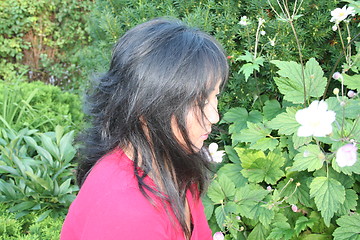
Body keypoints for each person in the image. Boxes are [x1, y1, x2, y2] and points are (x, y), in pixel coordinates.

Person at [60, 17, 228, 240]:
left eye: (214, 96)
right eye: (199, 102)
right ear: (148, 105)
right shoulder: (128, 213)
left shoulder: (171, 162)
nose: (214, 117)